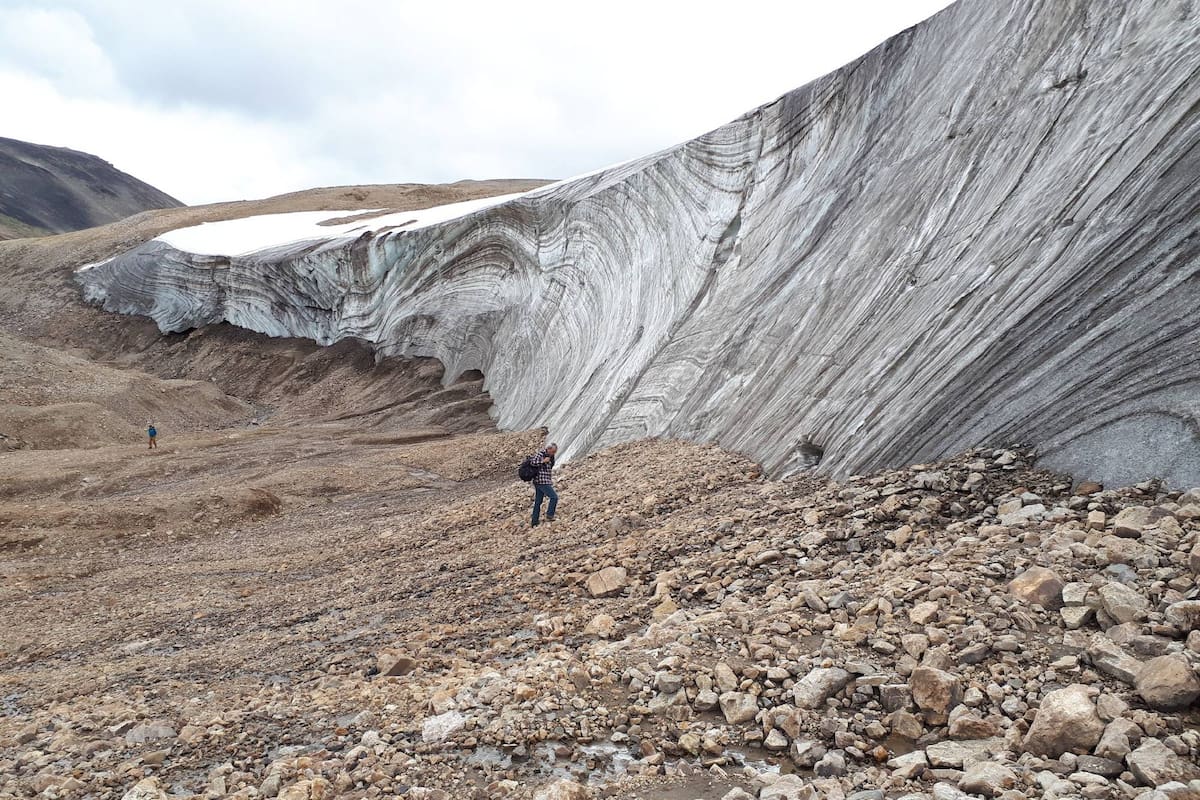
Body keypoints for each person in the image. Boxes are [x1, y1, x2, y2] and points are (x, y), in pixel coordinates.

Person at [530, 442, 558, 527]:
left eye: (555, 452)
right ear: (548, 449)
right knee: (554, 497)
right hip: (542, 481)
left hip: (542, 481)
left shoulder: (550, 456)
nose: (553, 454)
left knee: (538, 502)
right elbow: (533, 462)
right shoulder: (541, 454)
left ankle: (534, 522)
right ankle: (550, 515)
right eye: (553, 451)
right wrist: (543, 461)